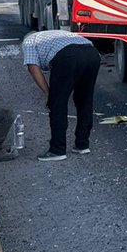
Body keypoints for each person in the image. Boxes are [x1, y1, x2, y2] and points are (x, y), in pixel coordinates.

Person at [21, 29, 100, 161]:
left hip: (68, 56)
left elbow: (33, 68)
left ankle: (57, 150)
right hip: (92, 53)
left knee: (58, 104)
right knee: (85, 100)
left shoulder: (28, 41)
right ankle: (82, 144)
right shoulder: (52, 35)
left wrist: (49, 94)